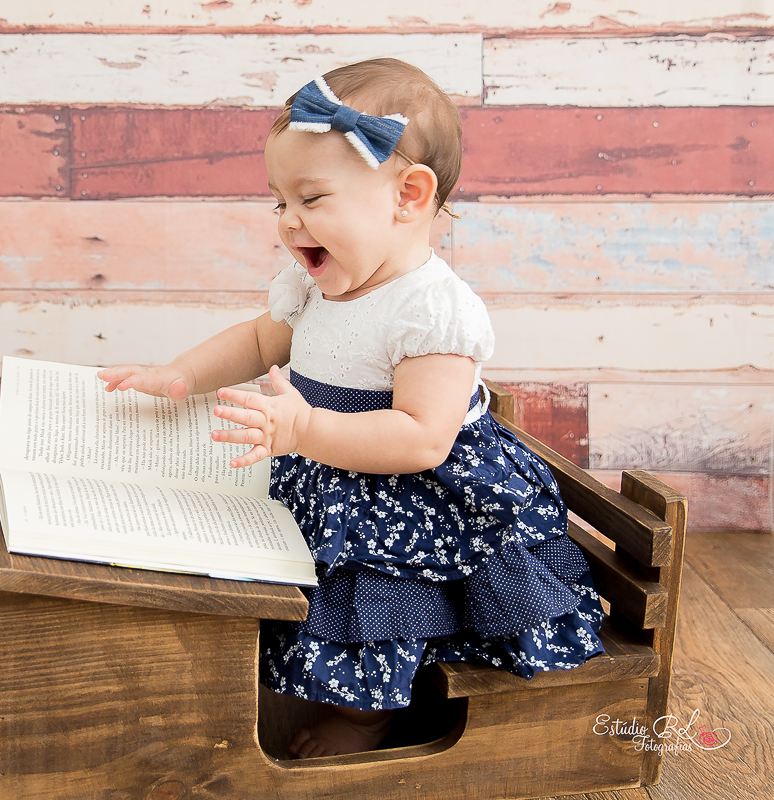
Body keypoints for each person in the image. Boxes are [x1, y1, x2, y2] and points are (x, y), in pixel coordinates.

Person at [97, 58, 605, 759]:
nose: (288, 222)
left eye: (310, 198)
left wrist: (306, 427)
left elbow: (423, 438)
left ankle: (367, 719)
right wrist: (180, 373)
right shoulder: (318, 286)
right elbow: (258, 340)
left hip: (411, 496)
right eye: (279, 202)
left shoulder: (432, 311)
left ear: (408, 196)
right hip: (326, 465)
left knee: (372, 599)